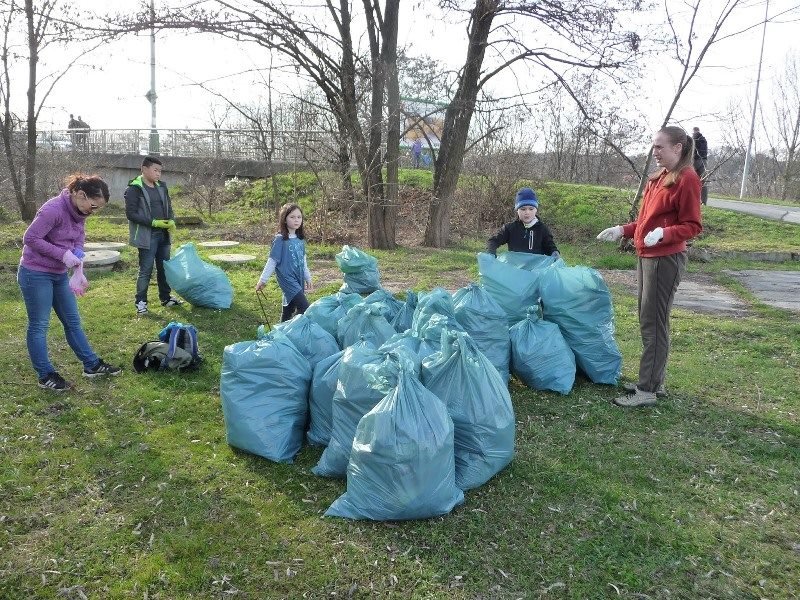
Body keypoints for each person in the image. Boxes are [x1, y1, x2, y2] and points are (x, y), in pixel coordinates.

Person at [596, 125, 703, 408]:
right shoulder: (659, 178)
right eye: (653, 146)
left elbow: (692, 225)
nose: (654, 152)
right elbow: (647, 223)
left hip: (665, 259)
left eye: (660, 147)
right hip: (647, 256)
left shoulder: (687, 178)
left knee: (654, 323)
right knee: (648, 319)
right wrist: (624, 229)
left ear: (678, 148)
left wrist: (665, 235)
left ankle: (647, 390)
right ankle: (653, 381)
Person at [18, 173, 123, 391]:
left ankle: (91, 365)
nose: (92, 212)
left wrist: (77, 256)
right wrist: (63, 254)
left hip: (58, 274)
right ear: (80, 194)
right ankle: (45, 375)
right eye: (93, 206)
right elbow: (30, 238)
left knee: (73, 321)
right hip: (35, 272)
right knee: (39, 325)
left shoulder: (79, 212)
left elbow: (78, 237)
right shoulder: (53, 210)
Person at [125, 156, 182, 315]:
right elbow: (131, 214)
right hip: (147, 235)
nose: (158, 174)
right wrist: (153, 223)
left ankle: (165, 297)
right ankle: (141, 302)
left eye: (160, 171)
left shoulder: (161, 187)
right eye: (155, 170)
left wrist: (171, 220)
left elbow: (168, 207)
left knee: (164, 268)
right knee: (146, 270)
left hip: (163, 234)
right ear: (144, 169)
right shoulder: (134, 189)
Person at [255, 203, 313, 322]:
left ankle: (282, 332)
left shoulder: (300, 239)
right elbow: (272, 261)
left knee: (289, 308)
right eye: (292, 217)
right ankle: (296, 329)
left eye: (299, 217)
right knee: (304, 307)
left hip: (298, 277)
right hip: (287, 279)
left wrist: (308, 277)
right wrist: (263, 280)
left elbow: (303, 260)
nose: (296, 220)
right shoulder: (280, 239)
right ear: (285, 219)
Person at [487, 187, 560, 258]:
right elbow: (493, 241)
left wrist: (554, 253)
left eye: (531, 209)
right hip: (515, 268)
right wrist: (491, 253)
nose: (527, 212)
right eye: (523, 209)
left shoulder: (543, 229)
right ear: (517, 210)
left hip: (536, 269)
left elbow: (550, 247)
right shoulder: (510, 228)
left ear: (536, 210)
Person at [692, 126, 708, 205]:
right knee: (703, 181)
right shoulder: (704, 139)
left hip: (695, 160)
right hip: (704, 161)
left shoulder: (694, 138)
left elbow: (691, 151)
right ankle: (703, 201)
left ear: (694, 131)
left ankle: (692, 200)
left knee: (690, 179)